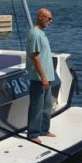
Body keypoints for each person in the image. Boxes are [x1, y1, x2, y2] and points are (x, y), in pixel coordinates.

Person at [25, 8, 56, 144]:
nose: (50, 21)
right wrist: (43, 77)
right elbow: (34, 57)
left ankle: (44, 129)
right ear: (40, 17)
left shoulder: (41, 33)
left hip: (47, 76)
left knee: (47, 105)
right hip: (39, 78)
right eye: (48, 18)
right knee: (36, 106)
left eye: (51, 18)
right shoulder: (35, 34)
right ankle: (33, 134)